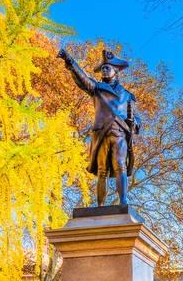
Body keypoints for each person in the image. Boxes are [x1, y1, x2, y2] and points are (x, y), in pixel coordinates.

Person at [57, 47, 139, 206]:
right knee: (102, 170)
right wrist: (69, 61)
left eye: (108, 68)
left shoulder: (128, 95)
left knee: (120, 165)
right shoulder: (96, 88)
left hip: (120, 133)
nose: (105, 70)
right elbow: (82, 78)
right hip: (101, 133)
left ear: (116, 71)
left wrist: (134, 122)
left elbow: (137, 118)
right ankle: (100, 206)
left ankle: (123, 202)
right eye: (103, 68)